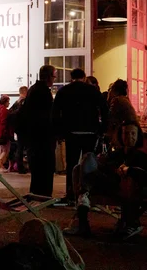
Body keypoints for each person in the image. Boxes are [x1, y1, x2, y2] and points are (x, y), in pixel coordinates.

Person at [64, 121, 147, 237]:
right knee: (86, 160)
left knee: (87, 166)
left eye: (133, 134)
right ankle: (83, 199)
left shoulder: (142, 157)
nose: (129, 137)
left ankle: (82, 203)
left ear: (138, 136)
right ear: (121, 135)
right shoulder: (115, 153)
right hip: (102, 182)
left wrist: (124, 170)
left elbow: (142, 175)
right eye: (126, 133)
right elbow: (103, 166)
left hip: (120, 187)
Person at [52, 68, 107, 201]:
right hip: (90, 132)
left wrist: (59, 131)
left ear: (71, 77)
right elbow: (104, 109)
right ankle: (88, 192)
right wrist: (102, 128)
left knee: (72, 163)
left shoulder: (64, 91)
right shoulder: (92, 90)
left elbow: (55, 112)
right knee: (89, 163)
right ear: (83, 77)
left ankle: (71, 192)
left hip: (72, 132)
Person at [24, 65, 58, 197]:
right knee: (45, 167)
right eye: (54, 76)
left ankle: (37, 193)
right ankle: (43, 195)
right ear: (49, 76)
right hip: (42, 138)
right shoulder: (43, 92)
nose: (54, 80)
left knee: (37, 169)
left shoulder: (34, 89)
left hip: (34, 137)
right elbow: (46, 116)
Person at [107, 79, 137, 147]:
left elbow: (111, 118)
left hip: (124, 132)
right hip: (132, 130)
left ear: (115, 90)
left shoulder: (117, 100)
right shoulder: (125, 99)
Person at [8, 86, 29, 174]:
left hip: (18, 128)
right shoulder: (25, 102)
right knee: (26, 148)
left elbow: (10, 113)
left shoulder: (16, 102)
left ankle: (20, 166)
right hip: (25, 128)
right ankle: (21, 167)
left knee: (19, 148)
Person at [0, 95, 13, 173]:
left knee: (1, 149)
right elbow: (3, 123)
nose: (9, 103)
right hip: (3, 133)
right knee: (6, 150)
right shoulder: (4, 110)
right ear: (5, 102)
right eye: (8, 101)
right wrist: (4, 133)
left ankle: (0, 166)